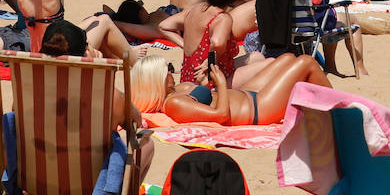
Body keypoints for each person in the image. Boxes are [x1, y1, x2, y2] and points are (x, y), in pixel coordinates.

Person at [130, 52, 331, 127]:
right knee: (306, 62)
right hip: (257, 109)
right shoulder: (173, 103)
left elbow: (207, 98)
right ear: (155, 80)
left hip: (248, 93)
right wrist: (219, 85)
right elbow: (221, 115)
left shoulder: (177, 90)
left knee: (287, 58)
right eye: (167, 70)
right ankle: (341, 112)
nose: (171, 72)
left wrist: (204, 83)